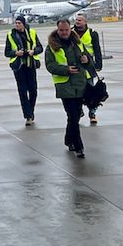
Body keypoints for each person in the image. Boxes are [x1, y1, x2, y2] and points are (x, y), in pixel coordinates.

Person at [44, 17, 89, 158]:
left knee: (75, 117)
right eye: (61, 30)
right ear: (57, 30)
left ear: (71, 29)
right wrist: (66, 69)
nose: (64, 32)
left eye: (66, 30)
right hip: (65, 87)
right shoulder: (52, 46)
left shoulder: (78, 43)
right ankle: (79, 147)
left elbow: (88, 58)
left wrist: (86, 60)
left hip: (80, 85)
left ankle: (68, 139)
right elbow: (50, 66)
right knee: (73, 116)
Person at [4, 15, 42, 126]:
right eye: (15, 23)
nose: (17, 25)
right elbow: (7, 52)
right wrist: (16, 53)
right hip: (18, 66)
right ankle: (28, 115)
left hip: (31, 65)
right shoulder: (11, 35)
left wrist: (33, 52)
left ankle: (30, 111)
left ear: (24, 24)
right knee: (23, 91)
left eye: (19, 23)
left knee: (33, 91)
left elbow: (40, 48)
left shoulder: (32, 33)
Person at [73, 12, 105, 125]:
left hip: (89, 67)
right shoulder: (71, 33)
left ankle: (92, 113)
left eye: (80, 20)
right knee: (77, 92)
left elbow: (97, 50)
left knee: (91, 92)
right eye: (76, 20)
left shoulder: (92, 33)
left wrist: (98, 65)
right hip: (76, 67)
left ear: (85, 22)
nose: (77, 22)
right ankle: (79, 110)